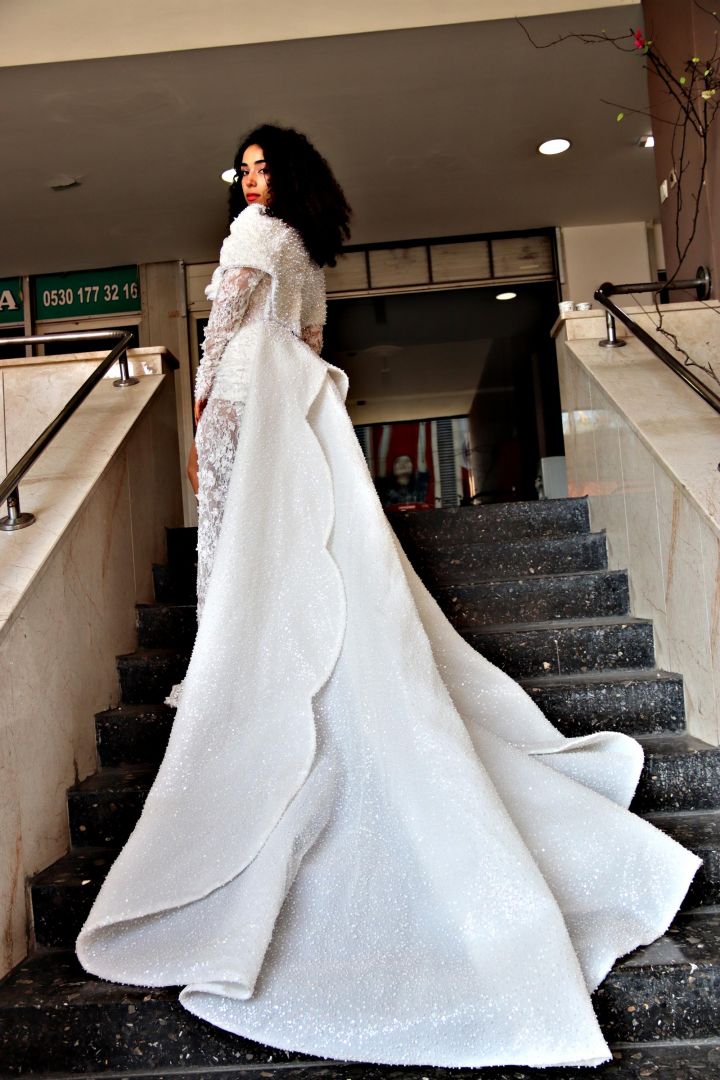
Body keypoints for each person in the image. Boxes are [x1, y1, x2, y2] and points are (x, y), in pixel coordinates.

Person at [76, 124, 701, 1070]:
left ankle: (253, 666)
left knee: (247, 552)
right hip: (299, 400)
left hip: (248, 395)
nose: (249, 182)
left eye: (261, 168)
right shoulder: (308, 251)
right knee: (306, 543)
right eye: (244, 170)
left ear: (285, 176)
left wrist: (201, 410)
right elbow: (312, 339)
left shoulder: (252, 238)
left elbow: (226, 327)